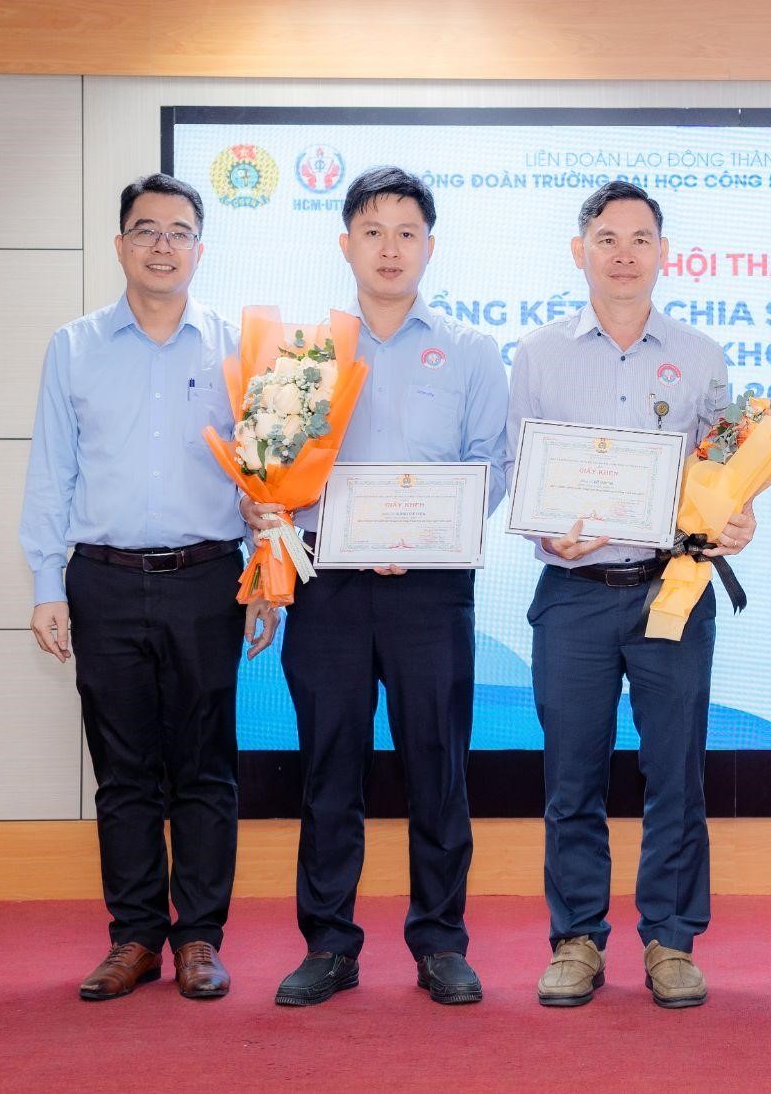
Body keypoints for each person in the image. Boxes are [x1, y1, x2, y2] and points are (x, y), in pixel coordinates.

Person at [253, 167, 511, 1008]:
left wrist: (428, 534)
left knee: (438, 767)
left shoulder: (471, 350)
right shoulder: (303, 355)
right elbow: (273, 466)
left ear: (430, 246)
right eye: (372, 231)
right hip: (327, 584)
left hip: (431, 590)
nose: (389, 248)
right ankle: (329, 943)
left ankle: (441, 943)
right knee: (330, 769)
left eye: (406, 232)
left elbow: (493, 462)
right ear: (345, 244)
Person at [21, 172, 270, 1002]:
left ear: (201, 248)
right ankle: (134, 936)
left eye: (179, 231)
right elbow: (51, 472)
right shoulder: (74, 346)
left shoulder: (238, 347)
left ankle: (199, 937)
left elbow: (267, 477)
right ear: (120, 243)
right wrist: (46, 583)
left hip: (208, 578)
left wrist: (266, 575)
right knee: (123, 772)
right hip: (105, 579)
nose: (163, 245)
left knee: (205, 769)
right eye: (146, 229)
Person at [507, 180, 756, 1009]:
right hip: (573, 592)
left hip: (671, 588)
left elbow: (725, 470)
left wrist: (737, 516)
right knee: (570, 777)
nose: (623, 253)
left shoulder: (701, 354)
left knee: (675, 775)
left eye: (640, 238)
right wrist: (548, 533)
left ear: (663, 252)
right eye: (607, 238)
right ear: (579, 250)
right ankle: (576, 937)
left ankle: (671, 940)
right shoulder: (537, 355)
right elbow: (521, 471)